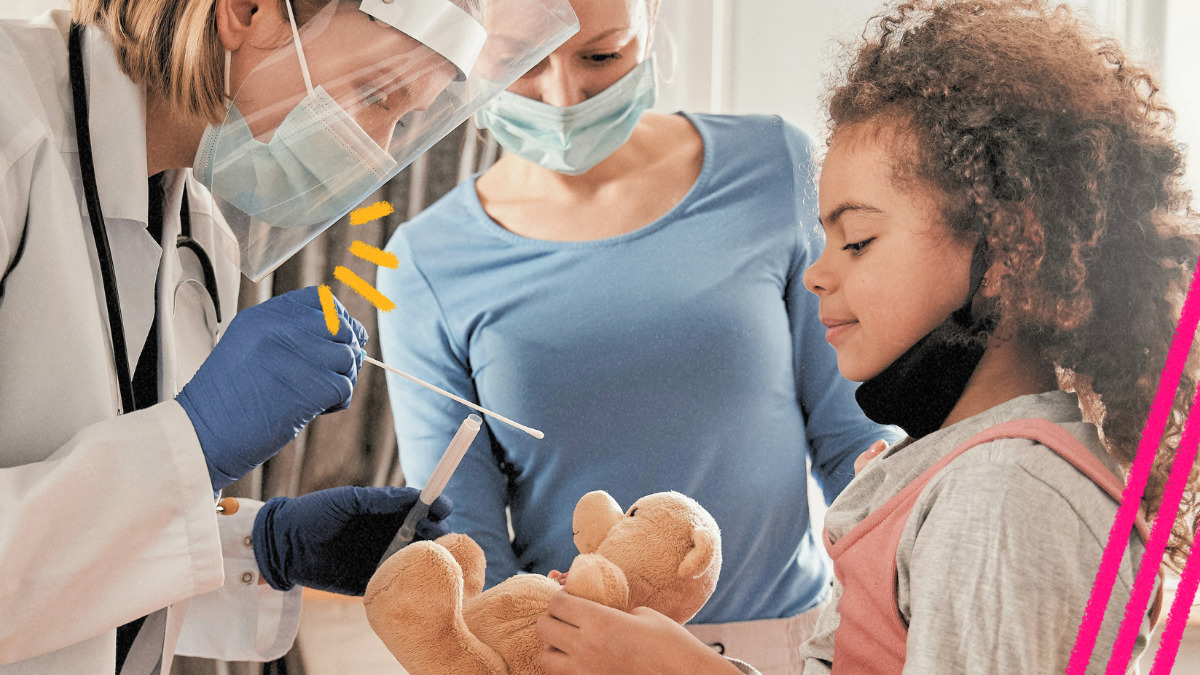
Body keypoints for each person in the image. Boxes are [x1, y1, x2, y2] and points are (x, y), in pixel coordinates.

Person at [535, 0, 1200, 673]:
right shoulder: (962, 475)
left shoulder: (1006, 494)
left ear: (1009, 251)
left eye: (858, 240)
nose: (818, 274)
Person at [0, 0, 574, 670]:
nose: (379, 149)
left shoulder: (199, 232)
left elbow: (79, 582)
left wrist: (263, 546)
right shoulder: (11, 121)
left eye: (404, 118)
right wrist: (191, 444)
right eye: (377, 94)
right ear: (247, 12)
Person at [376, 0, 898, 671]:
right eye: (521, 63)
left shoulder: (775, 166)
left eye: (602, 55)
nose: (563, 98)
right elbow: (468, 551)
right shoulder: (426, 263)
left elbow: (855, 435)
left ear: (652, 19)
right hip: (571, 658)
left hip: (788, 650)